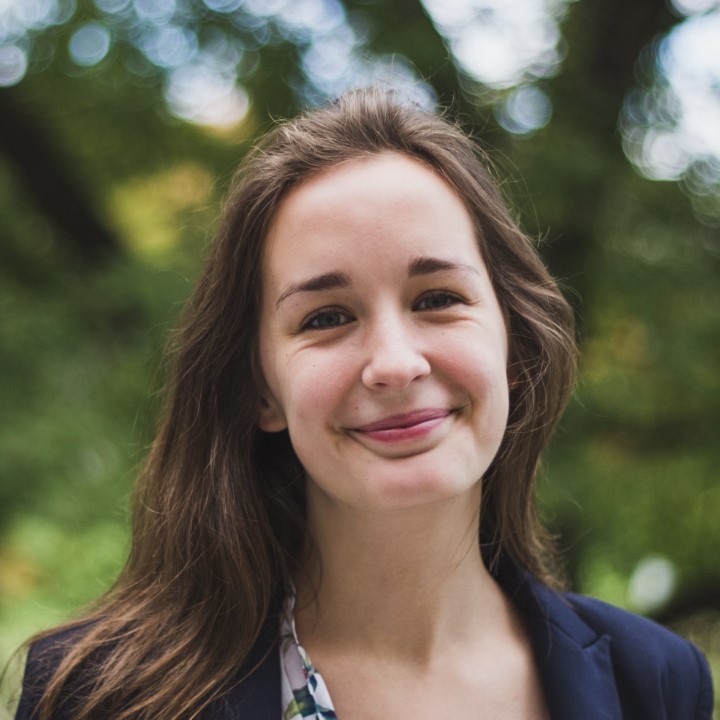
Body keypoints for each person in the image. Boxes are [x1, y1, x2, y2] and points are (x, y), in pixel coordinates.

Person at [14, 87, 713, 720]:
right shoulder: (103, 695)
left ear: (515, 347)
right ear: (260, 389)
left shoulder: (654, 683)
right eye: (325, 317)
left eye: (437, 299)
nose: (396, 364)